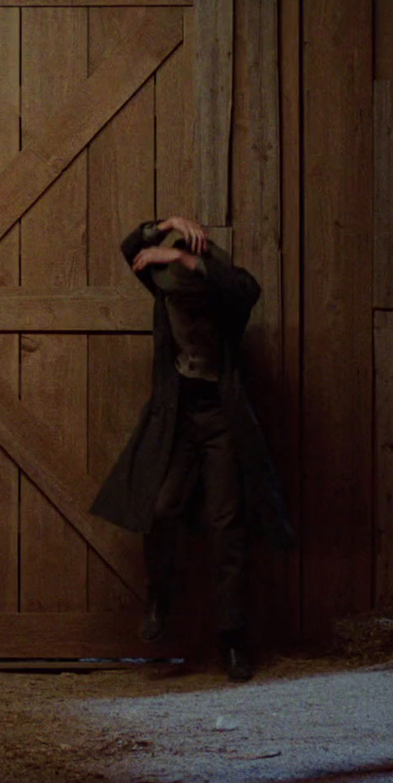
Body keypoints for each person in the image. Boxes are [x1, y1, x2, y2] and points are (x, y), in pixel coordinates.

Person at [89, 216, 293, 682]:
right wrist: (164, 226)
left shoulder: (225, 298)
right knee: (159, 508)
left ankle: (233, 639)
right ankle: (159, 595)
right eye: (174, 288)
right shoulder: (163, 290)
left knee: (227, 527)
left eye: (188, 286)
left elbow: (249, 289)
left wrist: (186, 258)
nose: (182, 299)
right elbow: (129, 248)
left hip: (222, 419)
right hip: (178, 417)